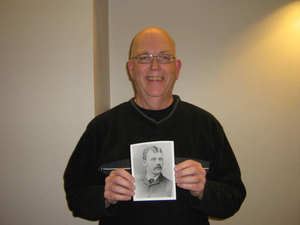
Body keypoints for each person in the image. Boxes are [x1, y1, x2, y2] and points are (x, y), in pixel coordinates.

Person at [64, 27, 246, 225]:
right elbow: (75, 196)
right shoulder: (101, 128)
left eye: (164, 57)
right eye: (144, 57)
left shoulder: (207, 126)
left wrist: (204, 190)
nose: (154, 66)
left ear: (177, 68)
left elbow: (233, 197)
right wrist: (104, 196)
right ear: (131, 69)